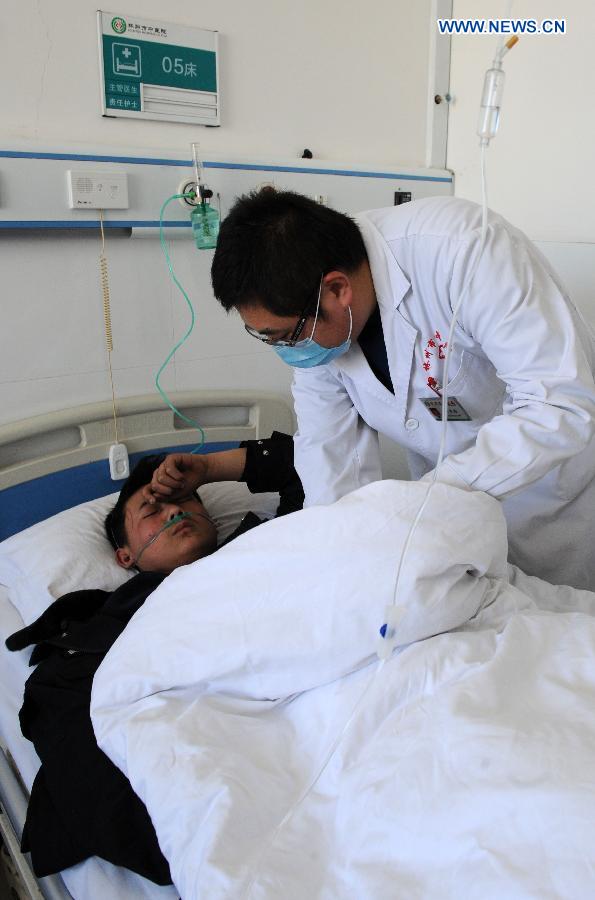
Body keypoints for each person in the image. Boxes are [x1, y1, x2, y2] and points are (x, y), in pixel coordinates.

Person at [211, 189, 595, 590]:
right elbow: (330, 460)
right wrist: (335, 562)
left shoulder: (463, 250)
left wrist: (421, 502)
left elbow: (558, 403)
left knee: (566, 628)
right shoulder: (320, 330)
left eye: (287, 336)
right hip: (449, 524)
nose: (288, 351)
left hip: (554, 503)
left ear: (338, 290)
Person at [6, 433, 303, 884]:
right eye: (152, 510)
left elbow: (316, 461)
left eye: (186, 502)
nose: (174, 511)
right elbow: (88, 768)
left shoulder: (268, 543)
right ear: (125, 556)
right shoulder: (94, 640)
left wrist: (210, 468)